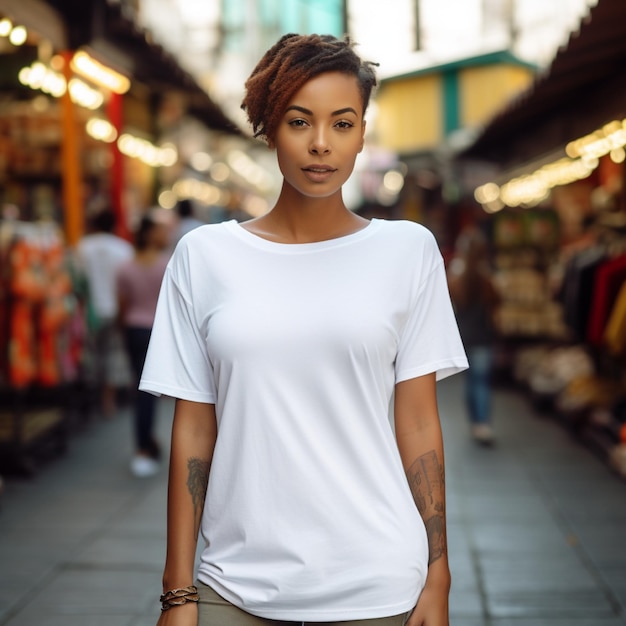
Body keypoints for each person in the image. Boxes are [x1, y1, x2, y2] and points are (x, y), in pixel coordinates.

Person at [140, 33, 468, 626]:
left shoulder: (408, 252)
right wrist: (177, 592)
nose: (321, 144)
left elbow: (418, 419)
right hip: (231, 585)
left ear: (363, 131)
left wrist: (438, 573)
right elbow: (193, 431)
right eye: (299, 121)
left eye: (343, 124)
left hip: (378, 583)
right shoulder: (204, 256)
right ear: (269, 127)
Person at [117, 214, 170, 477]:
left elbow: (122, 304)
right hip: (155, 331)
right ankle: (144, 447)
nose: (165, 235)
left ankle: (146, 443)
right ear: (150, 234)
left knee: (140, 388)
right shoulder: (165, 266)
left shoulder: (126, 267)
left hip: (133, 329)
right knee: (148, 392)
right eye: (160, 230)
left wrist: (123, 328)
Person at [77, 209, 133, 417]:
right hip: (115, 309)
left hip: (89, 310)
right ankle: (107, 400)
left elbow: (79, 280)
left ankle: (90, 398)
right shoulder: (124, 249)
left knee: (91, 353)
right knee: (112, 354)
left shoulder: (83, 247)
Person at [447, 226, 499, 445]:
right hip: (482, 335)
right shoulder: (487, 276)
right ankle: (482, 423)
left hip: (463, 335)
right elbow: (496, 302)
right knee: (481, 381)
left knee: (471, 381)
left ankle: (475, 421)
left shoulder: (457, 275)